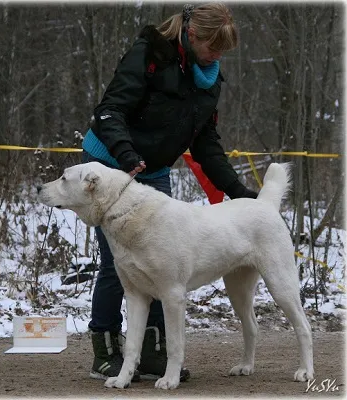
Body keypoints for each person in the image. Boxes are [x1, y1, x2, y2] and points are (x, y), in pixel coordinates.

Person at [82, 2, 258, 382]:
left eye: (223, 51)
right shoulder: (149, 53)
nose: (218, 56)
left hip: (154, 170)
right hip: (110, 164)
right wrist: (125, 154)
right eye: (214, 47)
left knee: (165, 264)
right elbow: (110, 110)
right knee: (120, 265)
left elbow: (205, 142)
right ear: (192, 35)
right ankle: (105, 350)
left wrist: (237, 190)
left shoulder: (208, 78)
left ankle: (152, 351)